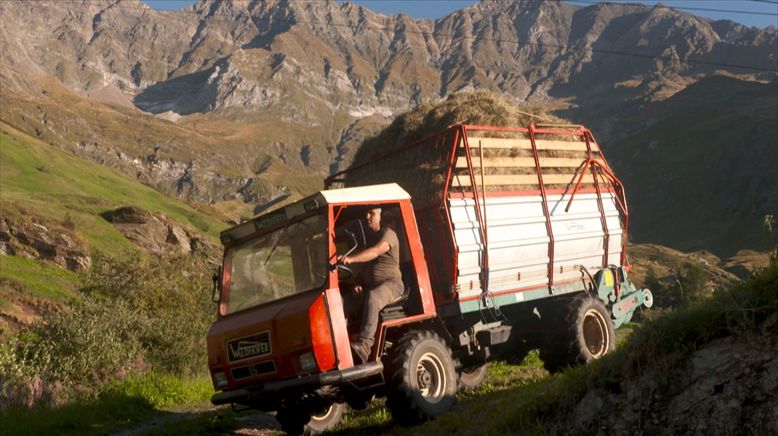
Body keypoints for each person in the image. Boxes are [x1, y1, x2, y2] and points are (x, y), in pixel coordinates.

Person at [339, 206, 403, 364]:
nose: (367, 216)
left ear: (381, 215)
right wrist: (358, 283)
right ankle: (340, 344)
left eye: (371, 213)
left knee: (373, 298)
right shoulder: (369, 239)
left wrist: (351, 259)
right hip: (369, 287)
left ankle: (364, 345)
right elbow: (367, 268)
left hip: (392, 284)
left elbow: (375, 252)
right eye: (366, 213)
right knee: (341, 304)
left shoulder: (389, 234)